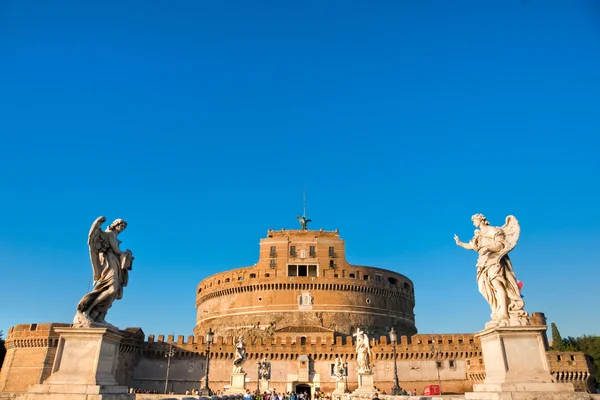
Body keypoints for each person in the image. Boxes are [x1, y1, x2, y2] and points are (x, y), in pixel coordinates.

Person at [454, 214, 527, 327]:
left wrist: (488, 248)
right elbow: (472, 246)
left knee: (498, 284)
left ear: (481, 220)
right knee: (485, 288)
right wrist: (460, 243)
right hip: (483, 263)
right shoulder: (479, 235)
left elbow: (501, 245)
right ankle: (497, 310)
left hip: (495, 260)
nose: (474, 223)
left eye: (475, 221)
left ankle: (504, 312)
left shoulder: (494, 230)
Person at [75, 217, 134, 328]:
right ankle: (86, 311)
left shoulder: (115, 236)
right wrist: (125, 254)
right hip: (109, 262)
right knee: (111, 288)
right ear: (116, 224)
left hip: (115, 262)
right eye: (121, 226)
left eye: (124, 227)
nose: (122, 228)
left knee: (114, 290)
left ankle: (100, 316)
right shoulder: (109, 234)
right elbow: (116, 250)